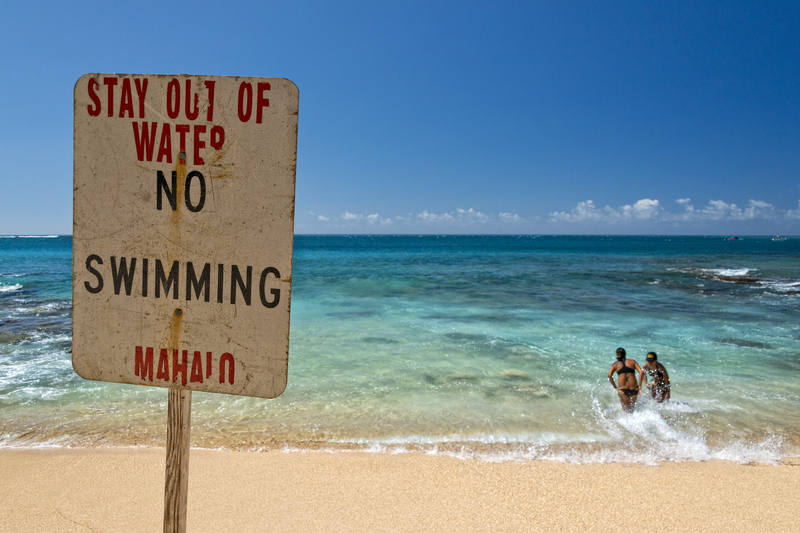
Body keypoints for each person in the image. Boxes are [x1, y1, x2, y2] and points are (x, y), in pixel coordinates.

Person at [608, 347, 643, 413]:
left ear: (617, 354)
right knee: (632, 409)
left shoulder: (615, 364)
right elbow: (641, 372)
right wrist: (640, 386)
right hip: (634, 389)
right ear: (625, 354)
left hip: (623, 390)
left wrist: (615, 387)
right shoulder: (632, 362)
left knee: (625, 410)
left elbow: (609, 375)